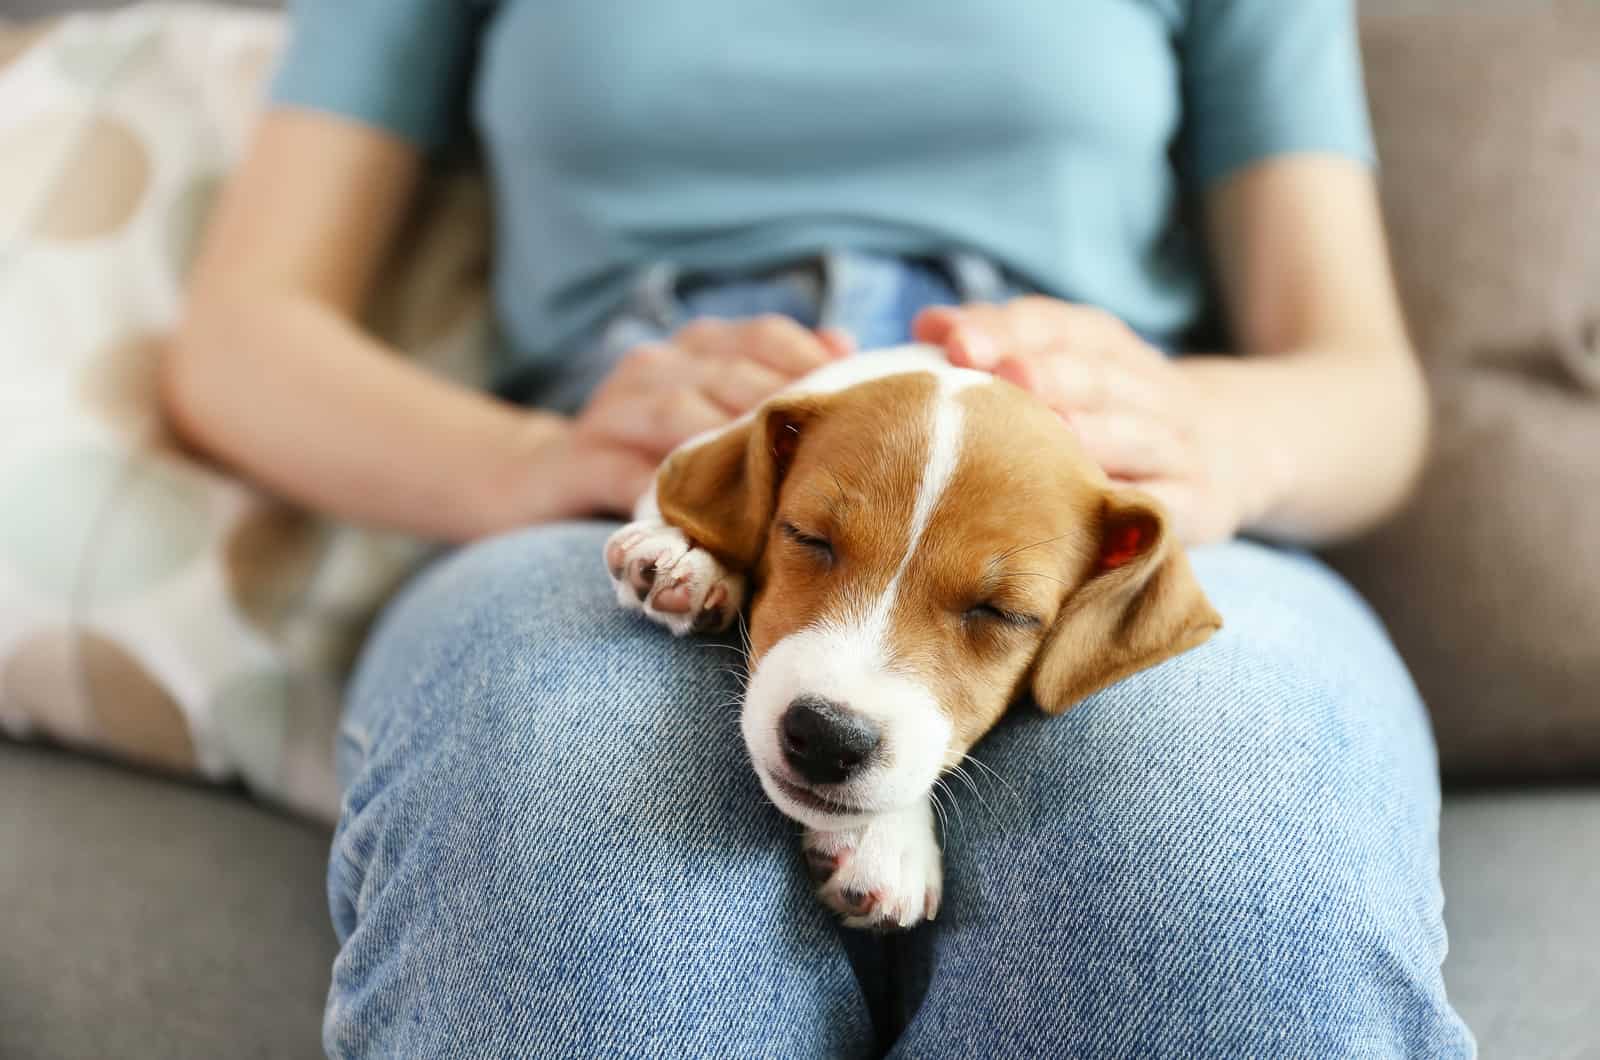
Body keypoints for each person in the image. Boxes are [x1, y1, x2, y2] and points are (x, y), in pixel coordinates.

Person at [160, 1, 1475, 1056]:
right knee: (559, 803)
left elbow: (1367, 388)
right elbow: (237, 338)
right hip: (650, 487)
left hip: (1091, 503)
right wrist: (532, 460)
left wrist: (1204, 437)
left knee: (1217, 847)